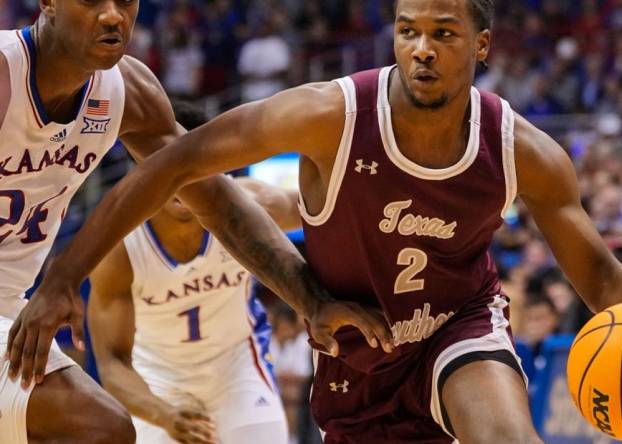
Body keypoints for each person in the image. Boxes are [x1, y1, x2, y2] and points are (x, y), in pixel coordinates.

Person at [14, 1, 622, 442]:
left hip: (455, 328)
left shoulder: (523, 151)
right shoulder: (327, 113)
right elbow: (176, 165)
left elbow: (596, 273)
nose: (422, 48)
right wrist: (65, 278)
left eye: (443, 33)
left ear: (480, 46)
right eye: (408, 30)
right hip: (356, 360)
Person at [0, 2, 391, 443]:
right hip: (140, 364)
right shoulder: (5, 73)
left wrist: (311, 301)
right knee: (98, 429)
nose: (112, 16)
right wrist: (62, 279)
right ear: (48, 2)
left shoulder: (128, 90)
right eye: (92, 0)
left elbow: (214, 198)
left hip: (12, 304)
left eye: (126, 1)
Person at [88, 102, 295, 444]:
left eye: (193, 163)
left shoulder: (248, 205)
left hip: (238, 366)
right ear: (142, 170)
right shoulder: (119, 245)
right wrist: (162, 413)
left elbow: (324, 209)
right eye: (170, 166)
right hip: (157, 380)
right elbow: (111, 363)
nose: (182, 178)